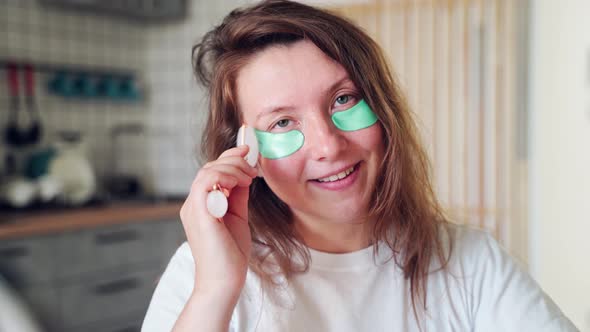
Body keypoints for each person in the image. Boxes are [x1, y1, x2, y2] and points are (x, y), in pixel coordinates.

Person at [142, 1, 578, 331]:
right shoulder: (202, 273)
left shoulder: (472, 263)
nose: (328, 145)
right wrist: (216, 291)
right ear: (244, 150)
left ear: (382, 107)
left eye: (344, 99)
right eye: (282, 122)